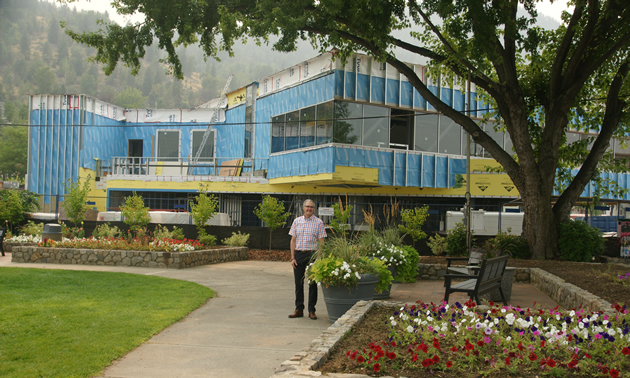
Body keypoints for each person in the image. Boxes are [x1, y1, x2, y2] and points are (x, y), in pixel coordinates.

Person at [288, 199, 327, 320]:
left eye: (311, 207)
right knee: (298, 283)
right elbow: (293, 240)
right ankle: (299, 309)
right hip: (299, 255)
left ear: (313, 209)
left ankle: (311, 310)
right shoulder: (296, 221)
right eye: (307, 206)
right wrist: (292, 257)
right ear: (303, 207)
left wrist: (318, 258)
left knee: (312, 284)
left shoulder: (319, 222)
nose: (309, 208)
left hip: (312, 255)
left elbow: (322, 242)